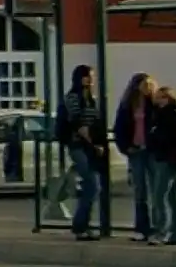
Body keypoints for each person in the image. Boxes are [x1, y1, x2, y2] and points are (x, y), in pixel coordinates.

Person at [57, 64, 106, 241]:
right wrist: (94, 144)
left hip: (89, 146)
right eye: (87, 76)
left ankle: (83, 225)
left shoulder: (92, 99)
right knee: (91, 183)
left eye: (91, 76)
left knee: (93, 186)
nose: (90, 79)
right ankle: (80, 226)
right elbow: (78, 124)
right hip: (77, 145)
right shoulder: (72, 98)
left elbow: (96, 122)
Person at [119, 73, 158, 241]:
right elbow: (120, 127)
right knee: (140, 189)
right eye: (144, 84)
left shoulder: (155, 104)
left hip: (152, 151)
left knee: (157, 189)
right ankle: (142, 227)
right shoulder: (128, 105)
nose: (147, 88)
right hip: (136, 151)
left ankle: (158, 227)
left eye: (150, 84)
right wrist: (126, 147)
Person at [149, 86, 176, 245]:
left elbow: (170, 139)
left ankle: (162, 231)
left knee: (160, 196)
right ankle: (175, 232)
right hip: (167, 159)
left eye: (162, 97)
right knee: (170, 197)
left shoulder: (169, 115)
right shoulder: (162, 115)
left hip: (166, 160)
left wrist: (153, 137)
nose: (159, 100)